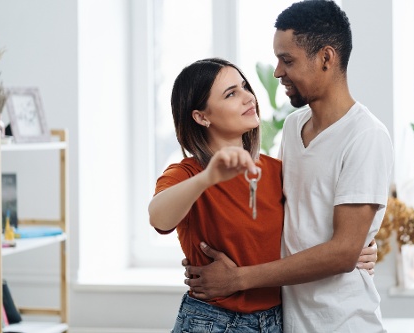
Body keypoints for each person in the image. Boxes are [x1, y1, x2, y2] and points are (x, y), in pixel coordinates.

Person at [183, 1, 394, 333]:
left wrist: (239, 279)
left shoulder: (366, 136)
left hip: (345, 323)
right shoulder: (294, 126)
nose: (278, 71)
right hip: (289, 321)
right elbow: (291, 216)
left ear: (326, 58)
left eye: (287, 60)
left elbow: (341, 252)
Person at [149, 57, 378, 332]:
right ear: (201, 116)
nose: (249, 98)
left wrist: (358, 249)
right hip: (212, 321)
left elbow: (310, 223)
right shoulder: (187, 174)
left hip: (277, 320)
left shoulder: (277, 172)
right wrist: (208, 177)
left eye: (244, 87)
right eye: (231, 94)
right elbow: (159, 217)